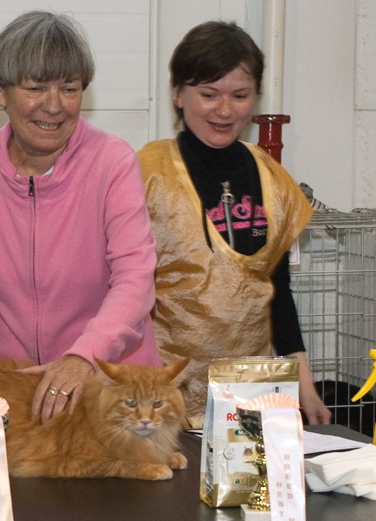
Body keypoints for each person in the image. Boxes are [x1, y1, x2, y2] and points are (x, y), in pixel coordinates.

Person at [0, 11, 162, 423]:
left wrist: (83, 356)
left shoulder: (112, 162)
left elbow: (135, 278)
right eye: (36, 88)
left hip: (114, 393)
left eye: (69, 88)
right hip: (17, 394)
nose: (54, 106)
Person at [138, 21, 331, 429]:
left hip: (250, 401)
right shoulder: (145, 173)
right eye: (208, 95)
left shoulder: (274, 179)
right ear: (178, 94)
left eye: (239, 96)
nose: (224, 111)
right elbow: (122, 290)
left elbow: (279, 294)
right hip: (161, 400)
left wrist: (305, 383)